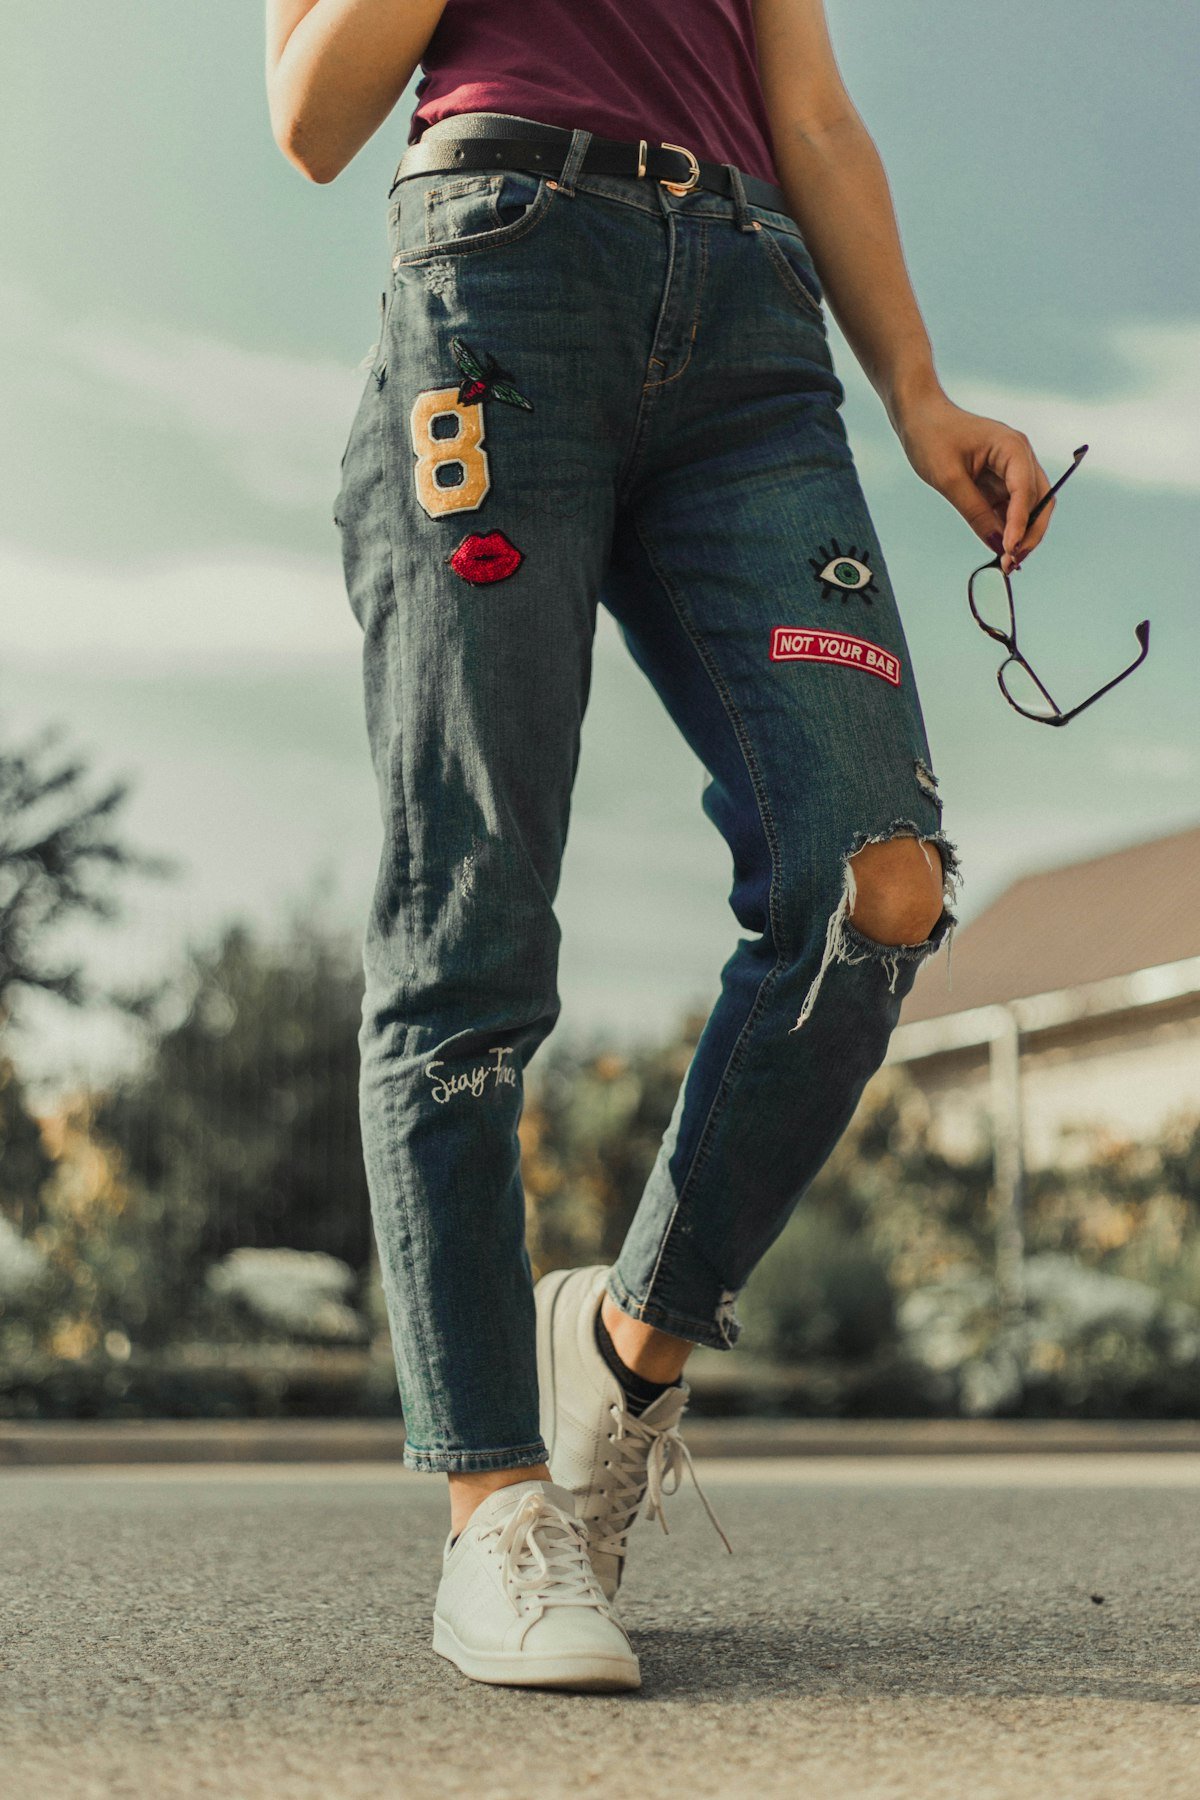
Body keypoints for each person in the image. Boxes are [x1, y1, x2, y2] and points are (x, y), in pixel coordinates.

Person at [266, 0, 1054, 1693]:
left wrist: (915, 392)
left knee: (876, 878)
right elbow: (313, 109)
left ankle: (623, 1357)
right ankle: (492, 1503)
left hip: (754, 326)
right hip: (497, 272)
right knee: (471, 912)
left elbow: (815, 113)